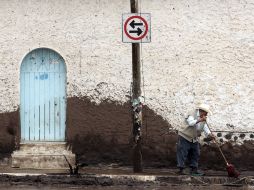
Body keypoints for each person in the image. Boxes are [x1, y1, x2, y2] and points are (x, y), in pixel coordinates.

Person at [176, 103, 215, 176]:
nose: (206, 114)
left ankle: (194, 169)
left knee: (196, 153)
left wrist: (210, 134)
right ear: (201, 111)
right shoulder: (191, 113)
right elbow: (191, 123)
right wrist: (200, 120)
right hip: (185, 135)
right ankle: (181, 169)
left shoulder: (203, 118)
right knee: (182, 152)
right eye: (206, 112)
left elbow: (205, 127)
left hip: (194, 137)